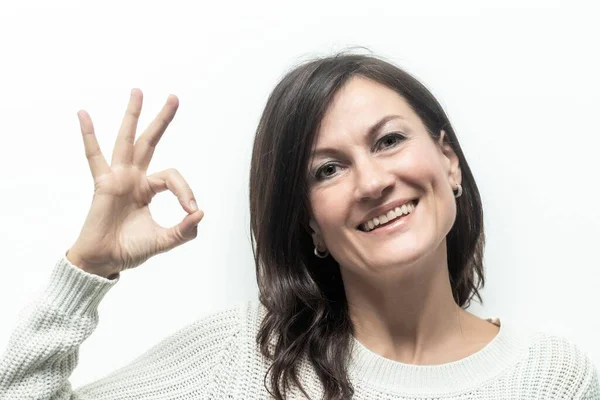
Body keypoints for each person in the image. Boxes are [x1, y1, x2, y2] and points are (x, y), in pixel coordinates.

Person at [0, 53, 598, 400]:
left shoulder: (553, 377)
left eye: (389, 140)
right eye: (328, 169)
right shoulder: (243, 357)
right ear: (309, 225)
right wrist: (88, 265)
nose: (370, 182)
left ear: (449, 161)